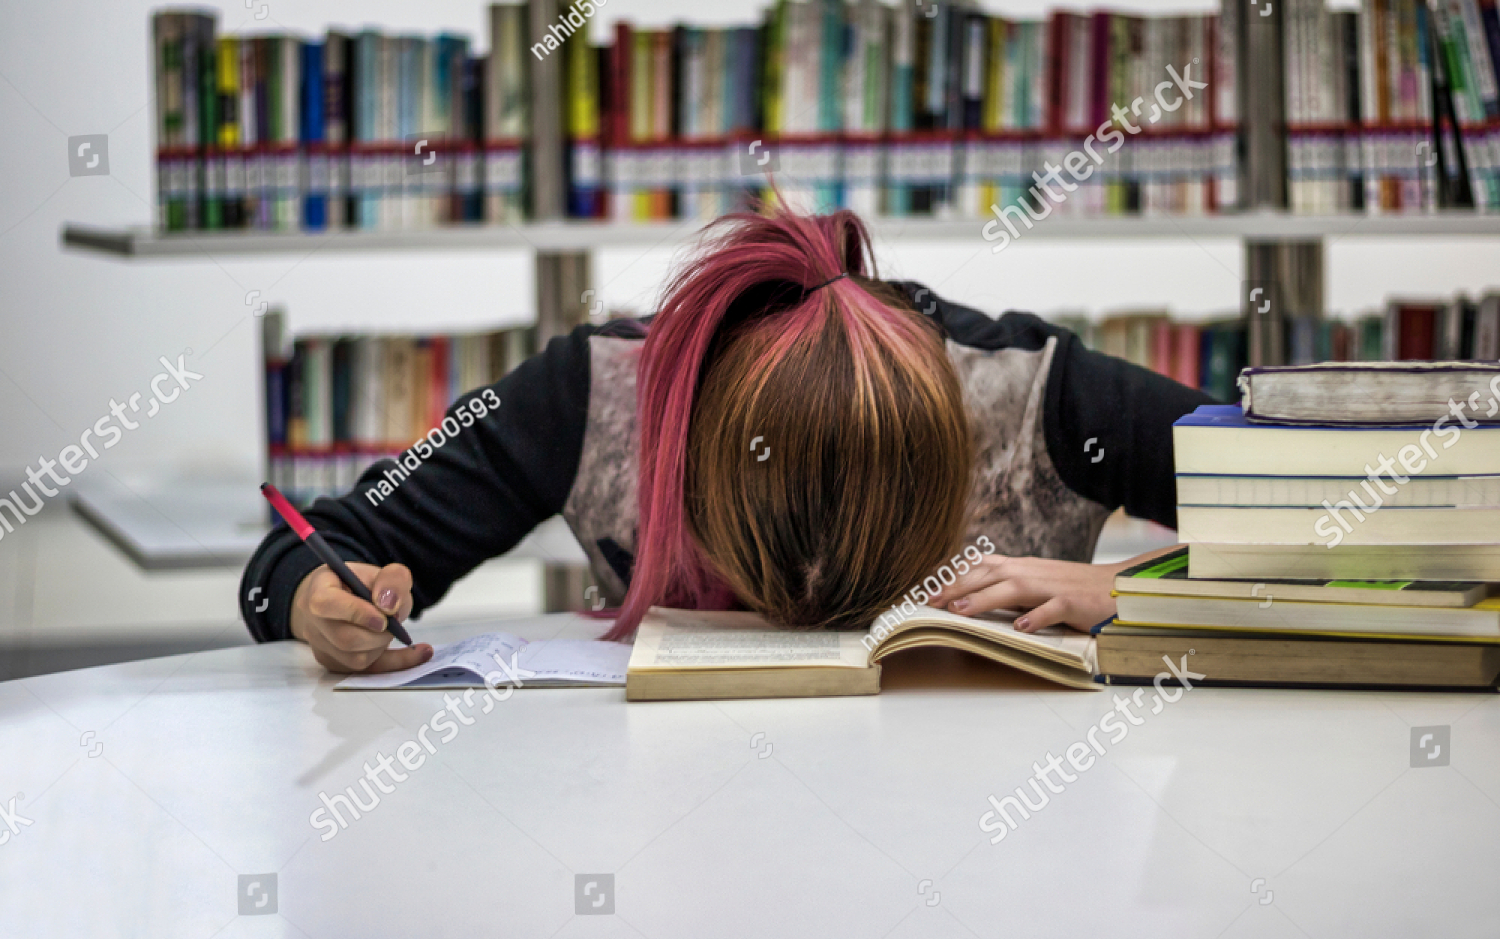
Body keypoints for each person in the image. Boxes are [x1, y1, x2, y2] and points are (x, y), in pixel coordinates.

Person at [240, 206, 1210, 673]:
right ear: (698, 434)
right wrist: (312, 599)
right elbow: (300, 551)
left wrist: (1128, 590)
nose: (819, 584)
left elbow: (1351, 520)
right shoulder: (591, 398)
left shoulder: (1039, 397)